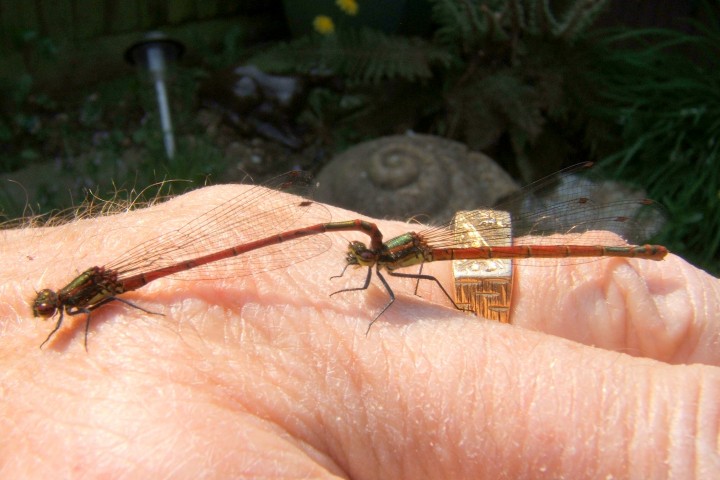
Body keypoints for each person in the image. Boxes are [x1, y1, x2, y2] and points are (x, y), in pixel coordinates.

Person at [1, 184, 718, 478]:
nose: (354, 265)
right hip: (450, 248)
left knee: (473, 271)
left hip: (462, 255)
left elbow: (444, 265)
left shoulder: (401, 262)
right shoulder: (372, 259)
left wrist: (487, 295)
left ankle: (629, 254)